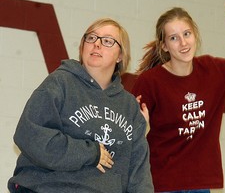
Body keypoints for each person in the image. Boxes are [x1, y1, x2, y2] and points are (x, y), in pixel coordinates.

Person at [131, 0, 225, 193]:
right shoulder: (151, 81)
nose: (183, 43)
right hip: (161, 182)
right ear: (164, 46)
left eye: (187, 34)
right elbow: (129, 134)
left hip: (200, 184)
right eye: (174, 38)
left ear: (195, 35)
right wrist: (140, 125)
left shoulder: (214, 70)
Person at [8, 18, 154, 193]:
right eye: (91, 38)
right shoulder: (60, 83)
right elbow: (29, 135)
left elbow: (139, 173)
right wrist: (89, 152)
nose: (97, 44)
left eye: (107, 41)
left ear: (121, 56)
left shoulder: (129, 106)